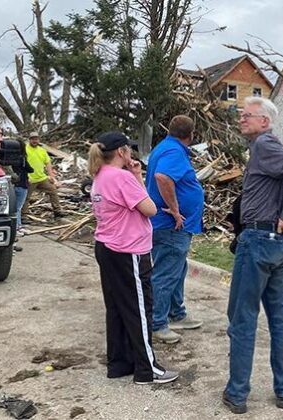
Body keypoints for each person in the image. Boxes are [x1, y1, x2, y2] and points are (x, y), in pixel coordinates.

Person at [223, 97, 283, 414]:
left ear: (265, 122)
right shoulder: (263, 148)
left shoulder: (264, 145)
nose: (242, 118)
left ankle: (237, 393)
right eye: (241, 114)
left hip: (259, 241)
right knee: (279, 316)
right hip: (279, 244)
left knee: (242, 319)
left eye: (248, 115)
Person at [89, 131, 179, 385]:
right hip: (128, 251)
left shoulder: (100, 176)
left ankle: (119, 363)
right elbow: (149, 208)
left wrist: (136, 175)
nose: (131, 153)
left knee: (117, 308)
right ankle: (147, 369)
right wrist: (136, 178)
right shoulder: (120, 177)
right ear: (121, 152)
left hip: (107, 247)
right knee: (139, 309)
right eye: (129, 149)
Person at [146, 115, 205, 344]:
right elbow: (162, 177)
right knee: (166, 272)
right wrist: (175, 209)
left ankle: (176, 313)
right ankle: (157, 323)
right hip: (171, 225)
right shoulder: (173, 152)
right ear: (190, 135)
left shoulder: (165, 147)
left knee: (177, 269)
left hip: (172, 226)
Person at [23, 131, 65, 218]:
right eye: (33, 139)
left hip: (41, 178)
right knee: (26, 197)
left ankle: (57, 211)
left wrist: (52, 177)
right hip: (30, 178)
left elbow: (48, 163)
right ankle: (24, 215)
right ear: (29, 140)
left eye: (36, 139)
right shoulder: (25, 149)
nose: (35, 141)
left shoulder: (42, 150)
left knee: (53, 190)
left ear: (39, 140)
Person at [11, 139, 34, 236]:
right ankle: (17, 227)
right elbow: (30, 169)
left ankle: (18, 225)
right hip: (22, 184)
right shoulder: (22, 158)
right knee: (18, 207)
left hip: (13, 184)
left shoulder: (10, 157)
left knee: (14, 207)